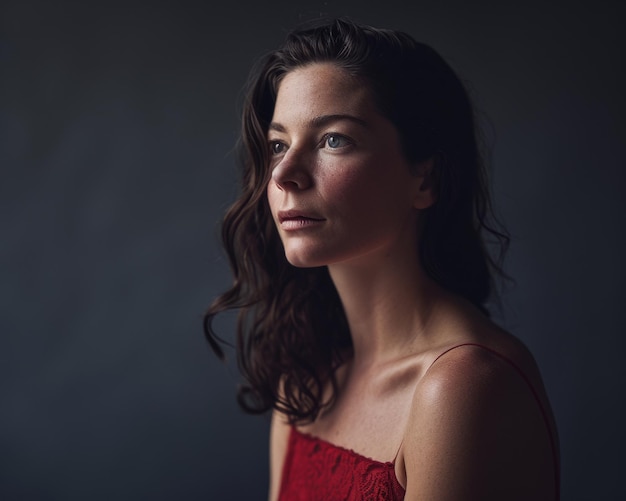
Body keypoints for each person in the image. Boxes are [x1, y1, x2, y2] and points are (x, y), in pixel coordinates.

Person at [205, 17, 559, 500]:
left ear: (425, 180)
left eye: (334, 139)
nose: (285, 174)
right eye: (278, 144)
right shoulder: (305, 383)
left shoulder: (461, 387)